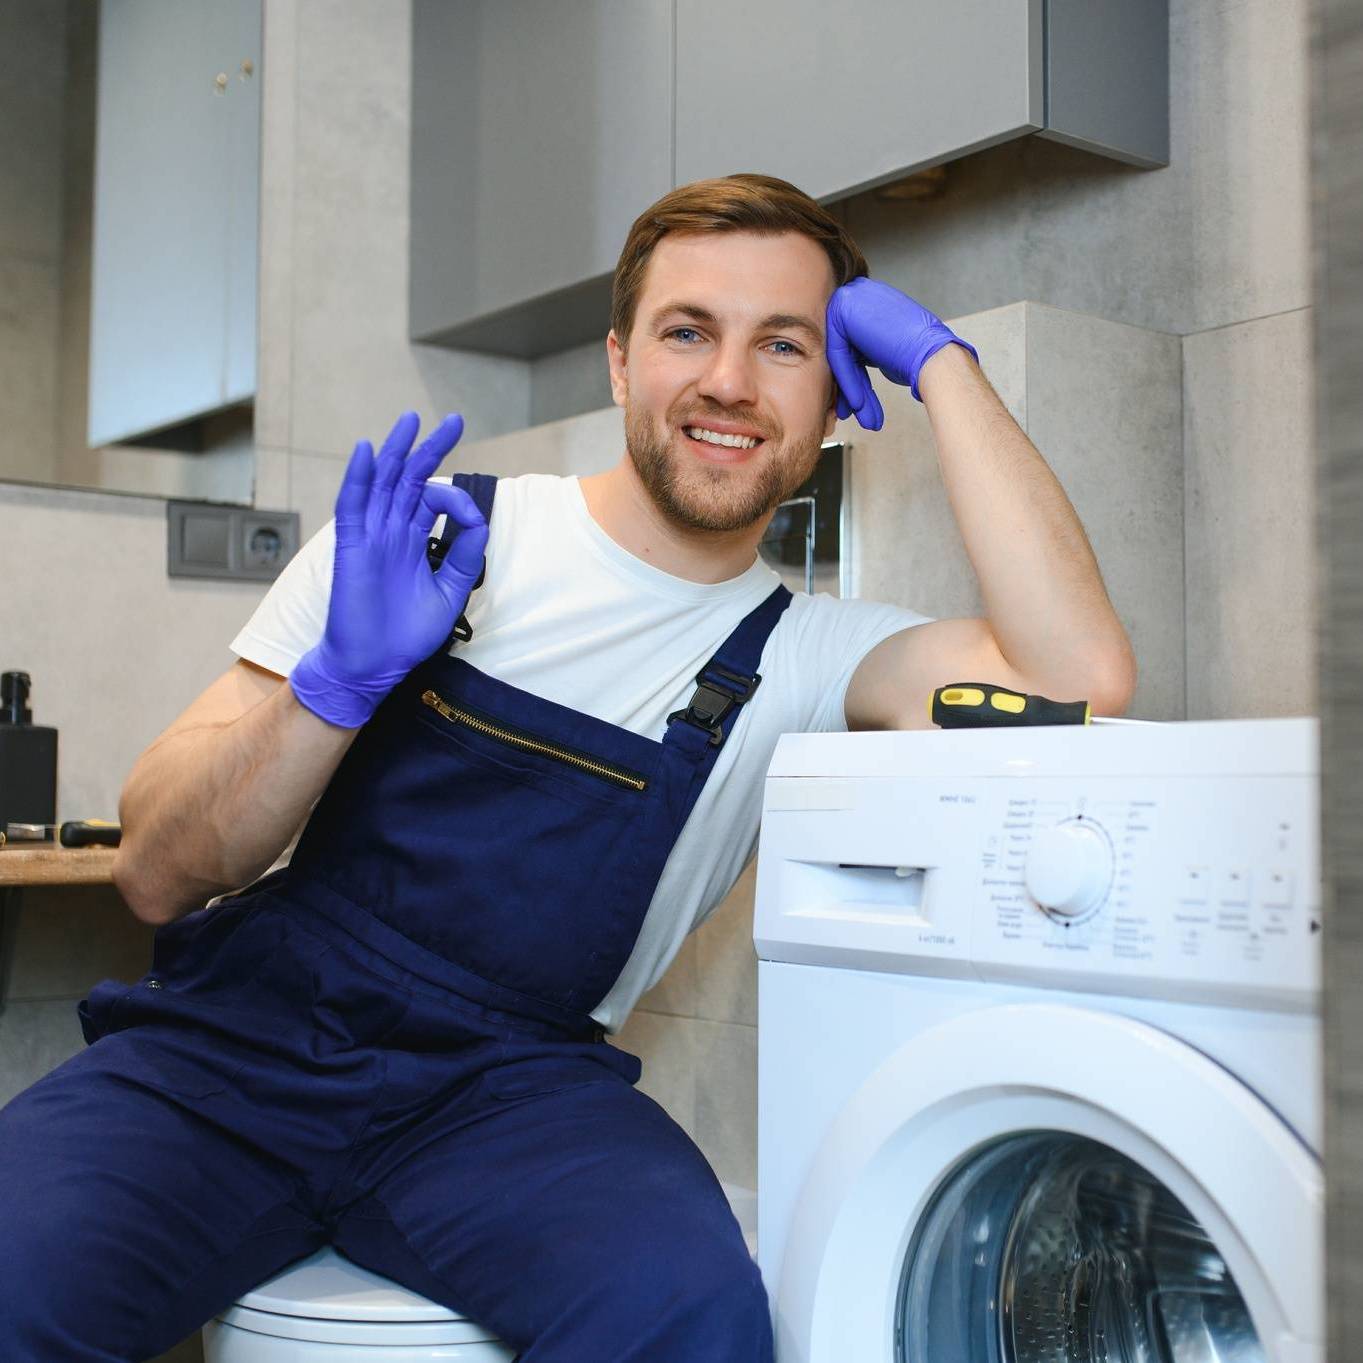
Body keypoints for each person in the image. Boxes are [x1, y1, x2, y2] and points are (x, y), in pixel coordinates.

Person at [0, 174, 1135, 1361]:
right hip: (233, 1060)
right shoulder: (436, 540)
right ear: (617, 362)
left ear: (832, 401)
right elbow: (157, 872)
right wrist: (332, 685)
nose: (730, 382)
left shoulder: (808, 655)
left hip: (506, 1104)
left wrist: (943, 364)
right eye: (687, 330)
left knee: (691, 1319)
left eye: (784, 346)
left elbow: (1079, 674)